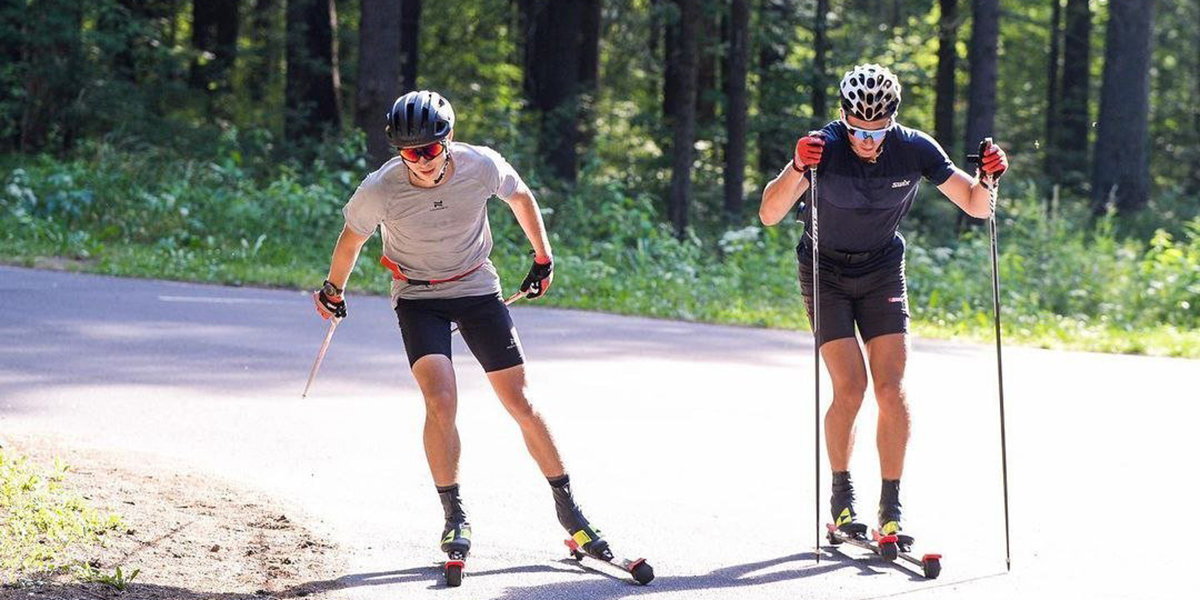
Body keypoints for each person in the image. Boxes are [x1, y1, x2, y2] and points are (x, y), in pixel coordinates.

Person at [312, 90, 614, 567]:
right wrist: (334, 290)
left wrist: (543, 256)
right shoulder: (381, 188)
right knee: (441, 399)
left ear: (447, 140)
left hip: (476, 288)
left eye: (430, 150)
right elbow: (351, 240)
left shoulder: (481, 165)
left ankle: (570, 512)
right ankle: (454, 515)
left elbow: (520, 196)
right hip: (418, 298)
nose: (422, 162)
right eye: (410, 153)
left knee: (520, 401)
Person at [758, 64, 1008, 550]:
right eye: (857, 129)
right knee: (849, 388)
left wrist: (989, 176)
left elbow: (978, 206)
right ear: (843, 116)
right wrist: (795, 167)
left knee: (891, 389)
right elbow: (769, 214)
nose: (867, 141)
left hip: (881, 270)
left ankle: (890, 509)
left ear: (891, 120)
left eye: (876, 131)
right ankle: (840, 499)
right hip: (823, 271)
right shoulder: (822, 149)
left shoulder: (915, 148)